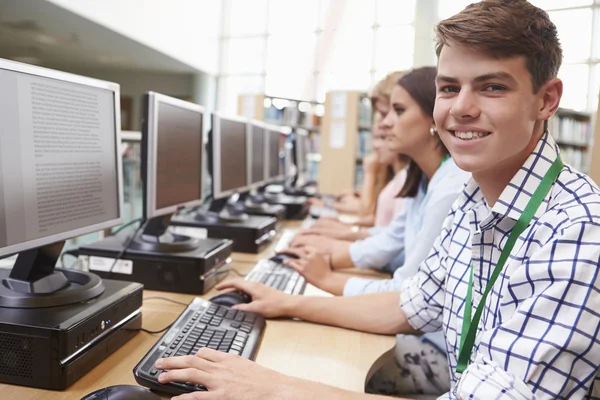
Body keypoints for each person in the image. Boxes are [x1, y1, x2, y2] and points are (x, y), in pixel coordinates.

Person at [154, 1, 600, 398]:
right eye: (449, 88)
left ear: (547, 100)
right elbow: (412, 304)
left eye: (492, 87)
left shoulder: (576, 230)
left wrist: (279, 389)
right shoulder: (474, 199)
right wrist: (287, 303)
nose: (460, 108)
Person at [285, 67, 470, 285]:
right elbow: (391, 240)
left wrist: (326, 276)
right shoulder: (419, 176)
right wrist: (324, 259)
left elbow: (408, 288)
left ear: (434, 118)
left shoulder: (449, 188)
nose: (383, 124)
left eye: (397, 111)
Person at [309, 71, 407, 227]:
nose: (383, 124)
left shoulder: (407, 178)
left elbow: (368, 214)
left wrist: (370, 173)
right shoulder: (395, 175)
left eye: (386, 114)